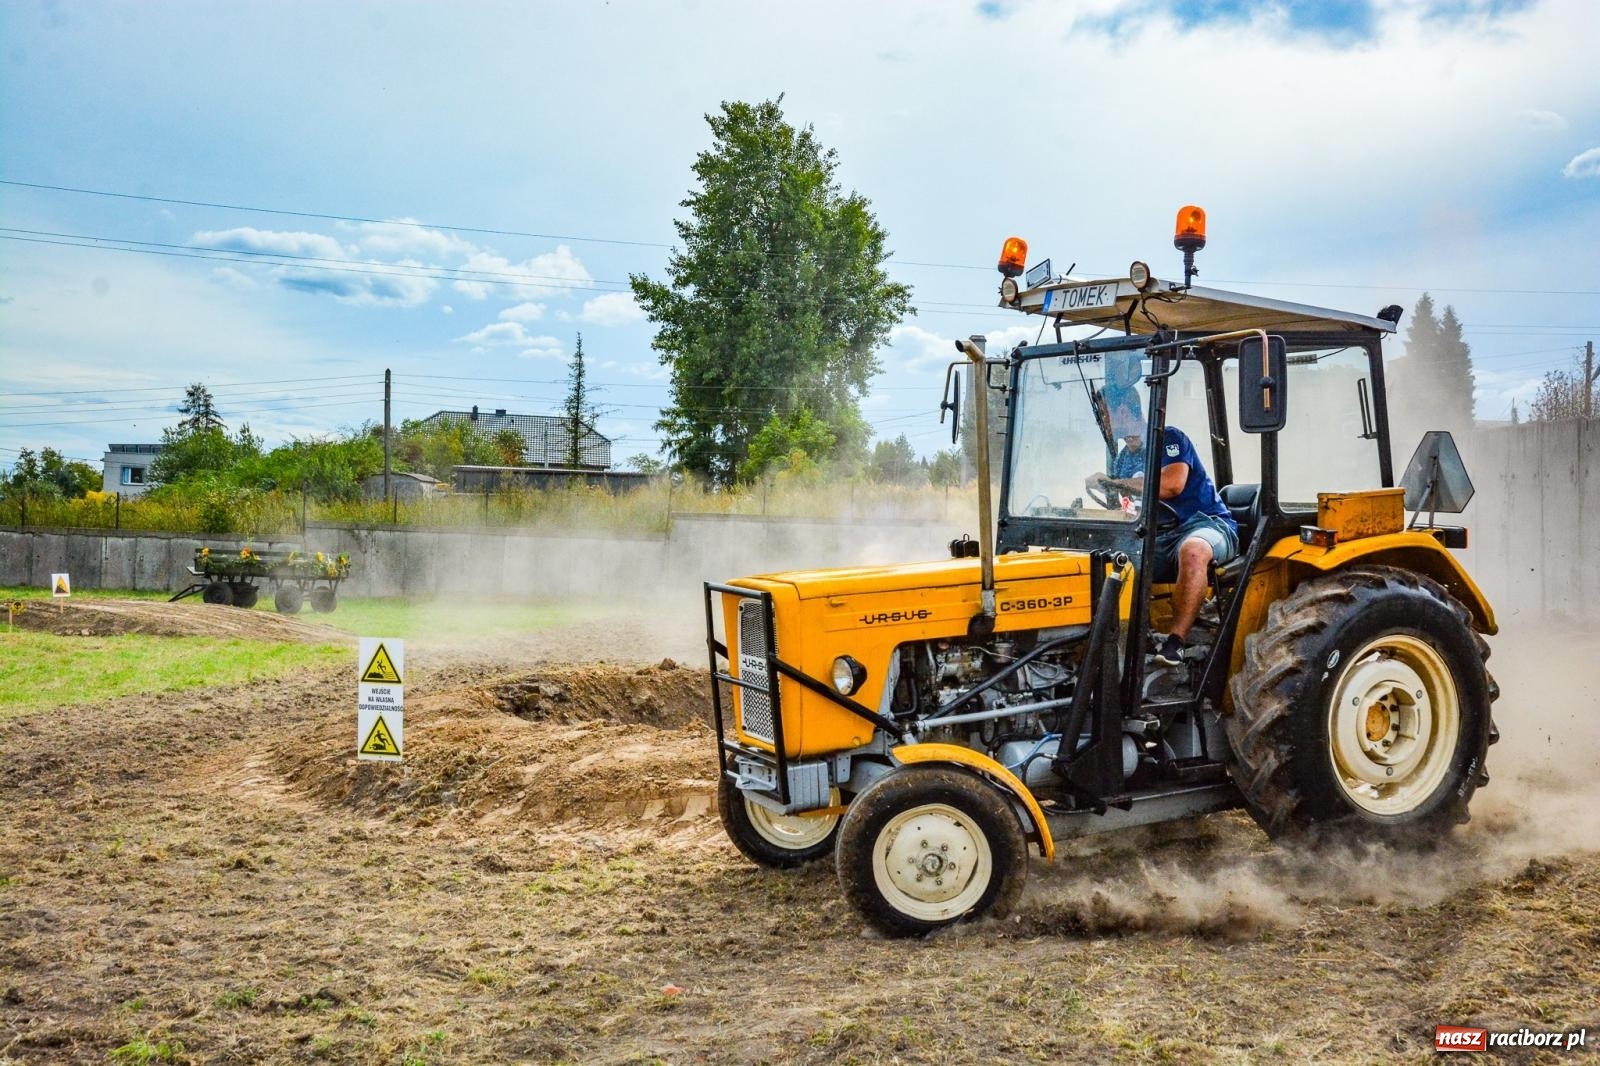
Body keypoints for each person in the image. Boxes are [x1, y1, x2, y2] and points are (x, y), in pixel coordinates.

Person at [1089, 416, 1238, 666]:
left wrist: (1114, 483)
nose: (1109, 420)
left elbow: (1171, 485)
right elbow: (1128, 506)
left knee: (1193, 551)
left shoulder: (1169, 438)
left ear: (1129, 410)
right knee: (1109, 560)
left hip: (1204, 524)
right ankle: (1129, 640)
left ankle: (1175, 643)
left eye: (1114, 413)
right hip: (1160, 534)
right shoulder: (1124, 457)